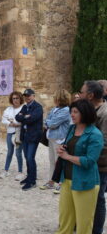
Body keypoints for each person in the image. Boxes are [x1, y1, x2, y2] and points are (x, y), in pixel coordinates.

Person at [55, 99, 103, 234]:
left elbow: (89, 161)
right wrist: (61, 150)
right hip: (67, 180)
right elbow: (69, 148)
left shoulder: (95, 134)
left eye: (76, 112)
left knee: (84, 224)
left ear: (85, 113)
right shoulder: (72, 128)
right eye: (71, 111)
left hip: (85, 183)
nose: (72, 114)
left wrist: (67, 157)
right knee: (65, 219)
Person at [79, 81, 107, 234]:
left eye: (81, 92)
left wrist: (86, 157)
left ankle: (96, 230)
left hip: (99, 165)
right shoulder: (89, 110)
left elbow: (105, 143)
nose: (79, 95)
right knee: (84, 196)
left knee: (98, 199)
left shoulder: (105, 113)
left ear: (90, 96)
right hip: (85, 163)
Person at [40, 89, 71, 194]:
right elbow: (46, 121)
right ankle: (51, 181)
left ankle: (61, 183)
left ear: (60, 98)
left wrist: (48, 123)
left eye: (55, 97)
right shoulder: (54, 109)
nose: (54, 99)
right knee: (52, 161)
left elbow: (52, 123)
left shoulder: (66, 110)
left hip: (59, 139)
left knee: (60, 162)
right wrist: (48, 122)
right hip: (51, 138)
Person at [15, 89, 43, 191]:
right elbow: (17, 117)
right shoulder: (24, 106)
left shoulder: (38, 107)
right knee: (27, 157)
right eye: (25, 96)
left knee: (30, 158)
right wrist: (25, 117)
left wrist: (24, 117)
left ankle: (32, 181)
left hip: (33, 136)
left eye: (29, 95)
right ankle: (29, 177)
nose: (27, 97)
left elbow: (32, 119)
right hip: (25, 136)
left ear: (33, 96)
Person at [0, 91, 24, 181]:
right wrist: (10, 124)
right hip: (10, 132)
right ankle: (6, 170)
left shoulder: (23, 108)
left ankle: (20, 172)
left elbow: (24, 119)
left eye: (17, 98)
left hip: (19, 133)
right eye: (13, 98)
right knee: (9, 152)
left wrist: (16, 123)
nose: (15, 100)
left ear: (20, 99)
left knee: (18, 153)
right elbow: (3, 119)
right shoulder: (8, 109)